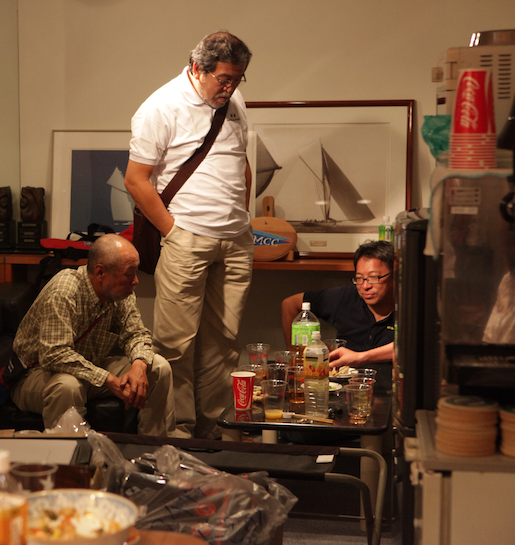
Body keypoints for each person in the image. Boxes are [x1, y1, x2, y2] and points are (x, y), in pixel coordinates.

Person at [124, 31, 254, 439]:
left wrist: (242, 215)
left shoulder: (234, 101)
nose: (230, 88)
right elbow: (135, 179)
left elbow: (241, 162)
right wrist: (174, 232)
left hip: (235, 239)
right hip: (187, 238)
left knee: (224, 342)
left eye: (237, 79)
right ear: (198, 68)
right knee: (174, 345)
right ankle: (175, 435)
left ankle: (213, 432)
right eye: (224, 79)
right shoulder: (161, 107)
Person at [10, 234, 175, 436]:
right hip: (38, 373)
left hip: (88, 368)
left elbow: (136, 334)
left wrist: (139, 366)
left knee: (158, 367)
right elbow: (54, 354)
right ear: (100, 272)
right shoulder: (64, 291)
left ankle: (151, 447)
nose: (136, 281)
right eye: (129, 273)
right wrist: (109, 380)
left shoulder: (121, 293)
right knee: (68, 386)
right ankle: (69, 453)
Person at [281, 240, 395, 390]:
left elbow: (407, 347)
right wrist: (296, 358)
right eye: (359, 278)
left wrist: (359, 357)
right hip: (342, 389)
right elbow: (290, 304)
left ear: (395, 276)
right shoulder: (344, 298)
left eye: (374, 277)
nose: (365, 286)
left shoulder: (409, 307)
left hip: (390, 389)